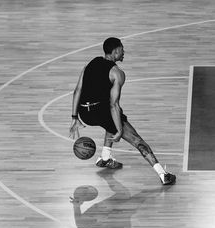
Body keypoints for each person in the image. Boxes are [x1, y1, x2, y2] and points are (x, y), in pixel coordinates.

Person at [69, 37, 176, 185]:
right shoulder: (117, 73)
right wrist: (119, 130)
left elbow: (77, 91)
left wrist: (74, 118)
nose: (124, 52)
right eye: (122, 49)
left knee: (109, 120)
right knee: (136, 139)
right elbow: (114, 105)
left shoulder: (89, 64)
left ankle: (105, 158)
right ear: (116, 51)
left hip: (84, 113)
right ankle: (163, 175)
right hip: (101, 110)